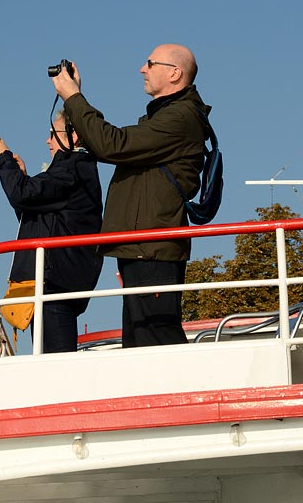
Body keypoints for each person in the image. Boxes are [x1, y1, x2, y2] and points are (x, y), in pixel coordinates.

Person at [51, 43, 211, 348]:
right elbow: (108, 143)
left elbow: (114, 145)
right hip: (143, 248)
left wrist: (73, 96)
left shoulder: (180, 117)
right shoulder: (170, 115)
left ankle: (183, 393)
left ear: (174, 73)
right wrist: (76, 98)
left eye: (150, 64)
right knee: (141, 340)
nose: (142, 69)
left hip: (152, 248)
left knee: (156, 337)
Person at [0, 111, 103, 353]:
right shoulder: (73, 169)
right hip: (56, 280)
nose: (48, 140)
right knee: (48, 362)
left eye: (54, 133)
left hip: (57, 283)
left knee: (56, 364)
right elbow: (36, 213)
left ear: (74, 136)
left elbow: (23, 195)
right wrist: (22, 178)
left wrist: (3, 160)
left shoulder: (72, 167)